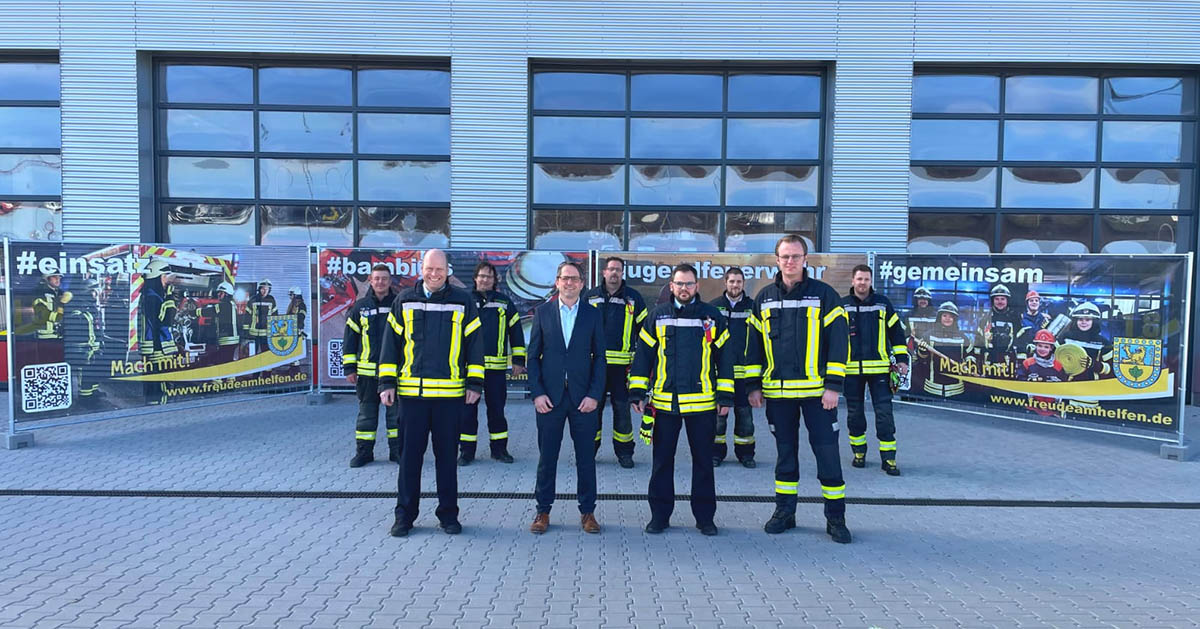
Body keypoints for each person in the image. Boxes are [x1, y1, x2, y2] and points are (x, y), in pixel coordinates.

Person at [744, 235, 852, 544]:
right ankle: (784, 513)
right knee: (785, 455)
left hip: (819, 395)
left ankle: (836, 518)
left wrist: (833, 387)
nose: (790, 261)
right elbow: (754, 349)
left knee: (827, 455)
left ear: (806, 259)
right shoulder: (763, 299)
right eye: (784, 256)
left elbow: (839, 344)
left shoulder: (825, 296)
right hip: (778, 396)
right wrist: (753, 386)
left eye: (795, 256)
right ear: (776, 260)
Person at [379, 249, 484, 537]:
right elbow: (391, 345)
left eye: (439, 269)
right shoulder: (404, 300)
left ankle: (448, 515)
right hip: (412, 397)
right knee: (409, 460)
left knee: (447, 460)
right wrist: (386, 383)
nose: (434, 274)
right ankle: (404, 516)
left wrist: (475, 384)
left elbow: (475, 345)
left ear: (447, 271)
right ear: (421, 269)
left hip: (450, 398)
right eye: (429, 269)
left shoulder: (463, 301)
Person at [630, 263, 733, 536]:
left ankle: (705, 519)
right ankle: (660, 517)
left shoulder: (712, 317)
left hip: (702, 404)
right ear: (671, 286)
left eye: (689, 284)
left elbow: (726, 359)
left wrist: (725, 396)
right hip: (665, 405)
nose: (684, 289)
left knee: (703, 463)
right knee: (662, 462)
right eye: (679, 284)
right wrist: (637, 392)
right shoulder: (657, 316)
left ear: (697, 286)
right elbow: (643, 358)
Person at [526, 260, 607, 534]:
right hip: (549, 400)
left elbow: (601, 360)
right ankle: (542, 511)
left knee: (586, 458)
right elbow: (533, 357)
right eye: (565, 278)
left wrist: (595, 395)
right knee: (547, 458)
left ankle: (588, 512)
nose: (569, 283)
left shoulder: (593, 314)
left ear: (582, 284)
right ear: (557, 282)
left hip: (584, 400)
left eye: (574, 278)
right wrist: (537, 393)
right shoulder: (543, 312)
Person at [842, 264, 909, 476]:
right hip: (851, 370)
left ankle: (888, 459)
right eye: (859, 279)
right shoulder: (842, 306)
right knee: (854, 414)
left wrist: (902, 359)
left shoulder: (883, 304)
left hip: (880, 370)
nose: (862, 283)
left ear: (871, 281)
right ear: (852, 281)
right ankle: (859, 453)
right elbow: (832, 337)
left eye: (866, 279)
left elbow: (897, 333)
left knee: (884, 414)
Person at [459, 261, 526, 466]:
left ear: (495, 280)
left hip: (496, 369)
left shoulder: (504, 303)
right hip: (470, 369)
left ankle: (499, 450)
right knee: (467, 412)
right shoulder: (464, 301)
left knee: (496, 411)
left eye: (489, 276)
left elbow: (516, 331)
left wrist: (518, 360)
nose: (485, 280)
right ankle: (467, 452)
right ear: (475, 278)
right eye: (482, 276)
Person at [583, 256, 647, 467]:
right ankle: (588, 451)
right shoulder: (590, 297)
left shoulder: (634, 298)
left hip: (623, 368)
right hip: (594, 367)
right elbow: (578, 330)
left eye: (618, 270)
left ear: (622, 273)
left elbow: (645, 334)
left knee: (622, 410)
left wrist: (642, 364)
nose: (614, 273)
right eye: (611, 269)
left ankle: (625, 453)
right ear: (603, 272)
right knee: (593, 408)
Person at [343, 264, 402, 468]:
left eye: (384, 278)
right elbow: (350, 339)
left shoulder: (399, 304)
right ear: (370, 279)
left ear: (390, 280)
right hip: (367, 373)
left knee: (396, 417)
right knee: (367, 416)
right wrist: (349, 368)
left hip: (394, 373)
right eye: (377, 278)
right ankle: (364, 453)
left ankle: (397, 452)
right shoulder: (360, 307)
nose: (380, 282)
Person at [709, 266, 757, 468]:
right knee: (719, 417)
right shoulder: (714, 308)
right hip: (720, 375)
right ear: (725, 283)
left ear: (743, 284)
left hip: (745, 375)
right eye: (731, 281)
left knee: (745, 418)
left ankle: (746, 454)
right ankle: (716, 454)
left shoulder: (752, 308)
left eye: (738, 282)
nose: (735, 285)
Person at [917, 302, 975, 398]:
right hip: (933, 388)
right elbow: (921, 359)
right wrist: (922, 351)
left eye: (951, 316)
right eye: (944, 316)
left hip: (956, 389)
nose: (947, 319)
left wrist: (969, 364)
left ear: (955, 319)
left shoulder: (963, 338)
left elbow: (970, 355)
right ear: (939, 317)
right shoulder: (928, 336)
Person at [139, 259, 177, 406]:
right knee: (159, 379)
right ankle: (159, 406)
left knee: (154, 378)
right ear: (158, 276)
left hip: (154, 346)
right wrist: (169, 300)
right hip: (158, 347)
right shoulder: (153, 297)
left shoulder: (150, 294)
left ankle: (155, 404)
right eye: (166, 277)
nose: (168, 281)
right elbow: (165, 321)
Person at [977, 284, 1021, 365]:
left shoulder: (1014, 318)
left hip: (1008, 359)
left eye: (1002, 299)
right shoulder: (986, 317)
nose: (1000, 302)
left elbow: (1019, 338)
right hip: (989, 359)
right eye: (997, 299)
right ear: (993, 300)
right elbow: (979, 338)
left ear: (1007, 300)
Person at [205, 282, 240, 364]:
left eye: (221, 293)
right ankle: (230, 377)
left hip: (227, 340)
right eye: (219, 293)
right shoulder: (232, 304)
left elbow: (209, 311)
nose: (219, 295)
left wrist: (193, 312)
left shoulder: (223, 305)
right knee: (228, 362)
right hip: (232, 339)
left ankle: (223, 377)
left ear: (227, 294)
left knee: (222, 362)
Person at [1015, 290, 1052, 358]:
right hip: (1025, 354)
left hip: (1042, 354)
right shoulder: (1020, 318)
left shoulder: (1045, 319)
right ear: (1027, 303)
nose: (1034, 302)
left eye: (1036, 300)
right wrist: (1026, 347)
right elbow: (1016, 339)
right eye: (1031, 300)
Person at [32, 272, 65, 340]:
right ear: (47, 279)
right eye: (55, 277)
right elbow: (42, 313)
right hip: (45, 336)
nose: (58, 279)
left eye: (59, 277)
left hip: (60, 335)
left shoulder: (61, 293)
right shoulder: (40, 293)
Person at [247, 280, 277, 354]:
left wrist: (275, 330)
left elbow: (275, 315)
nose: (264, 291)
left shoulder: (271, 300)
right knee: (252, 353)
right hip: (254, 333)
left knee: (266, 353)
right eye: (262, 289)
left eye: (266, 289)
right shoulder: (253, 299)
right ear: (259, 289)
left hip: (266, 332)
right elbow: (247, 315)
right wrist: (246, 330)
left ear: (269, 290)